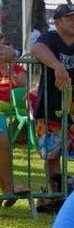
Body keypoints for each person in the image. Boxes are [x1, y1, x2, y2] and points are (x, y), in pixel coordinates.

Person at [31, 4, 74, 204]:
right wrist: (58, 66)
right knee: (52, 155)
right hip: (49, 107)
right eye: (70, 18)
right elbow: (36, 48)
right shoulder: (50, 38)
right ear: (57, 22)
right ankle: (55, 196)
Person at [0, 35, 28, 205]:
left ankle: (8, 189)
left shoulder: (16, 67)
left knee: (2, 140)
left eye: (2, 41)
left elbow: (23, 85)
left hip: (9, 108)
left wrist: (10, 67)